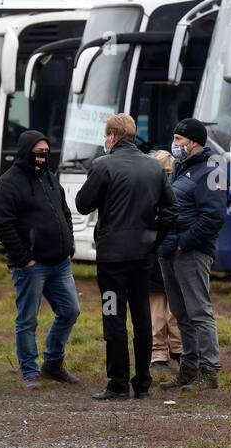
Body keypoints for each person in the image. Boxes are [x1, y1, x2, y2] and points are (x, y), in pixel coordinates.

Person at [74, 114, 178, 400]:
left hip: (111, 259)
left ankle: (117, 382)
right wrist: (155, 240)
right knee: (142, 317)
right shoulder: (154, 168)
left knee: (113, 316)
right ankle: (142, 382)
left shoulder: (103, 165)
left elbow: (83, 204)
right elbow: (171, 210)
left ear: (111, 136)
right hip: (143, 256)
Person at [0, 130, 81, 390]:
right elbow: (2, 226)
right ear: (26, 151)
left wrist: (69, 243)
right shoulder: (8, 184)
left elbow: (65, 213)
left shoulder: (51, 178)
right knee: (28, 319)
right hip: (31, 266)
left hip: (60, 261)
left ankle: (53, 363)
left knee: (70, 310)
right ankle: (30, 371)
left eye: (46, 152)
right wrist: (24, 258)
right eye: (38, 152)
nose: (43, 157)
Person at [159, 118, 227, 392]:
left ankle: (209, 372)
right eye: (174, 139)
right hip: (170, 250)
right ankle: (189, 368)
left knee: (199, 313)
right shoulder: (179, 167)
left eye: (178, 140)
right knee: (181, 313)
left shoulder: (211, 171)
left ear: (194, 142)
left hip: (192, 252)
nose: (174, 145)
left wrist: (184, 243)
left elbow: (214, 216)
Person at [146, 149, 182, 376]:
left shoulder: (177, 191)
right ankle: (158, 352)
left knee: (175, 309)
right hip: (153, 256)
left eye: (169, 172)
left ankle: (178, 348)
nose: (166, 177)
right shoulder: (147, 194)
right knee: (157, 311)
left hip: (172, 254)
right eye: (163, 172)